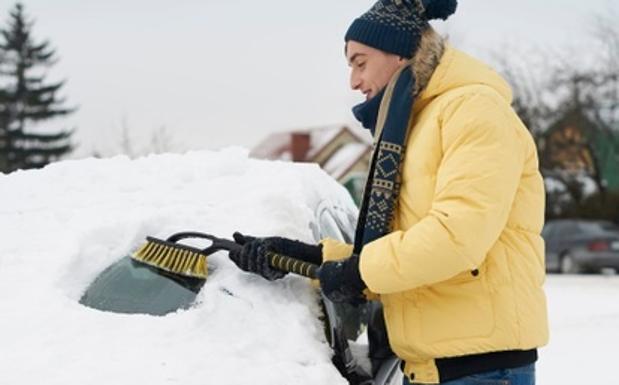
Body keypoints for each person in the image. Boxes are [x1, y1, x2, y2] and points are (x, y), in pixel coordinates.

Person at [229, 1, 549, 384]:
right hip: (433, 368)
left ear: (400, 54)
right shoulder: (417, 125)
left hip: (480, 369)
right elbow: (402, 247)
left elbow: (457, 238)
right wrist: (307, 257)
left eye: (360, 62)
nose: (353, 81)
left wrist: (358, 272)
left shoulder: (474, 110)